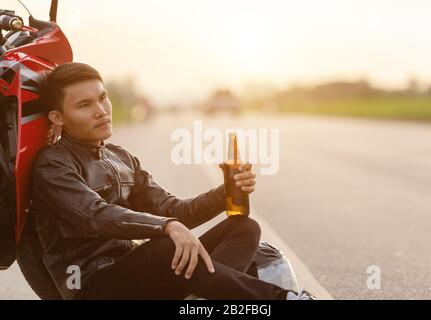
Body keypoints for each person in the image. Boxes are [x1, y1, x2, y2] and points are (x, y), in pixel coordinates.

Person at [31, 62, 313, 300]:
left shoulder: (122, 157)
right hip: (91, 284)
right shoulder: (53, 163)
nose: (101, 110)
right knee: (166, 245)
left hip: (141, 276)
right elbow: (94, 215)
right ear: (58, 118)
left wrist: (225, 192)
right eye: (85, 105)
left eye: (103, 98)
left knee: (243, 227)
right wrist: (166, 226)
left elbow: (174, 210)